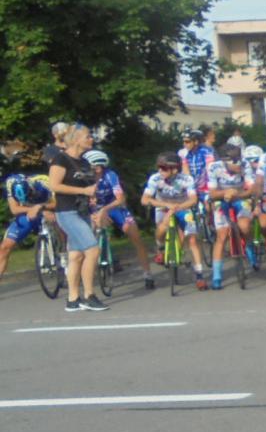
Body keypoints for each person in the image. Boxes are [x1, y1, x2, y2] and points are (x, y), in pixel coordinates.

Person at [47, 124, 108, 311]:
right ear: (75, 139)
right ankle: (89, 295)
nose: (91, 139)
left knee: (76, 256)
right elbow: (54, 185)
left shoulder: (84, 162)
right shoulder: (61, 159)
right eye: (87, 136)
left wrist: (92, 198)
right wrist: (83, 190)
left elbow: (88, 188)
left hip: (82, 211)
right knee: (93, 250)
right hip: (67, 212)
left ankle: (73, 299)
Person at [86, 150, 155, 289]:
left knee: (134, 236)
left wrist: (105, 210)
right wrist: (93, 213)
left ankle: (147, 273)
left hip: (114, 207)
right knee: (88, 237)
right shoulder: (84, 177)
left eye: (99, 166)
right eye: (93, 167)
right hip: (94, 210)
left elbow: (120, 199)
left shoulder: (110, 175)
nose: (96, 170)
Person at [144, 151, 208, 289]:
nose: (160, 171)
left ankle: (199, 275)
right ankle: (160, 248)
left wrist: (178, 207)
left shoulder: (186, 179)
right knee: (161, 229)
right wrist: (165, 205)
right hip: (163, 207)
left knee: (192, 239)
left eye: (164, 168)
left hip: (182, 207)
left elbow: (193, 199)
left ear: (175, 169)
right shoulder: (155, 178)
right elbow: (145, 199)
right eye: (159, 167)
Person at [206, 145, 254, 290]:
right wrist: (226, 192)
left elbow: (251, 189)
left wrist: (237, 194)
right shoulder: (214, 167)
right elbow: (213, 193)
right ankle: (216, 276)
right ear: (225, 162)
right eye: (235, 162)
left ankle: (249, 246)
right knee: (222, 235)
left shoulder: (245, 164)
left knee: (244, 226)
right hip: (221, 199)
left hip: (240, 197)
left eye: (239, 160)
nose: (239, 165)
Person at [0, 172, 55, 283]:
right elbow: (15, 209)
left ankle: (64, 254)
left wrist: (41, 207)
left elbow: (58, 203)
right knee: (5, 247)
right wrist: (33, 209)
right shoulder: (11, 182)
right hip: (27, 213)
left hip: (47, 209)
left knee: (61, 224)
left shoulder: (44, 181)